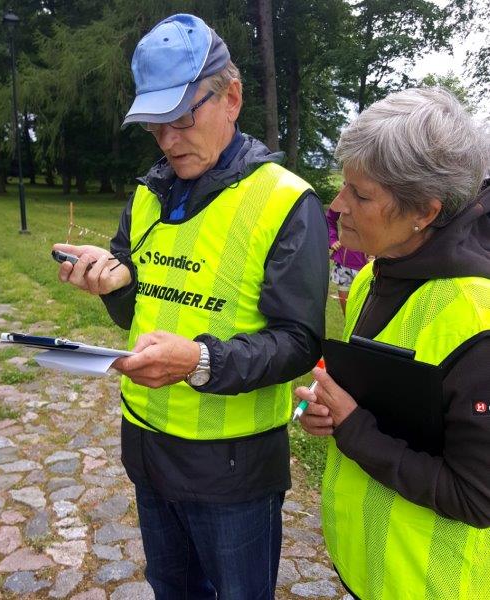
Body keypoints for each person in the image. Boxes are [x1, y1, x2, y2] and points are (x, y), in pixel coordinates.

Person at [53, 13, 328, 600]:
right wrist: (111, 284)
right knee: (171, 589)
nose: (168, 140)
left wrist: (199, 362)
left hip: (234, 471)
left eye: (181, 119)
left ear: (232, 98)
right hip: (147, 445)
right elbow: (138, 312)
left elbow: (300, 341)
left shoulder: (285, 201)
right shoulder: (148, 193)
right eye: (155, 125)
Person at [295, 87, 490, 600]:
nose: (337, 205)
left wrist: (353, 428)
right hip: (367, 568)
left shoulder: (478, 317)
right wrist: (327, 411)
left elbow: (476, 497)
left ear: (423, 211)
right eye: (344, 185)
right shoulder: (372, 276)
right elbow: (374, 404)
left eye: (360, 195)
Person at [327, 206, 368, 314]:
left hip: (369, 266)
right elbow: (329, 219)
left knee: (365, 312)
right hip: (343, 264)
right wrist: (332, 239)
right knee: (348, 314)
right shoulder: (344, 199)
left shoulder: (382, 199)